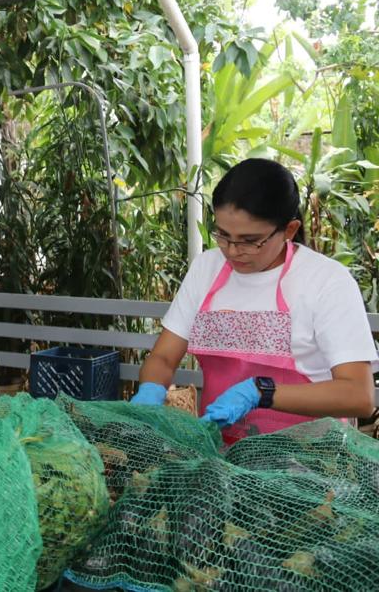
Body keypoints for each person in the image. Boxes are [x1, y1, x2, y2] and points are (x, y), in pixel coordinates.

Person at [132, 158, 378, 443]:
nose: (233, 251)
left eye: (250, 240)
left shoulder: (326, 281)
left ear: (288, 230)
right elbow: (163, 357)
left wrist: (261, 392)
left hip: (311, 458)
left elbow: (358, 395)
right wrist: (151, 391)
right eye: (223, 236)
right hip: (224, 450)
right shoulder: (206, 269)